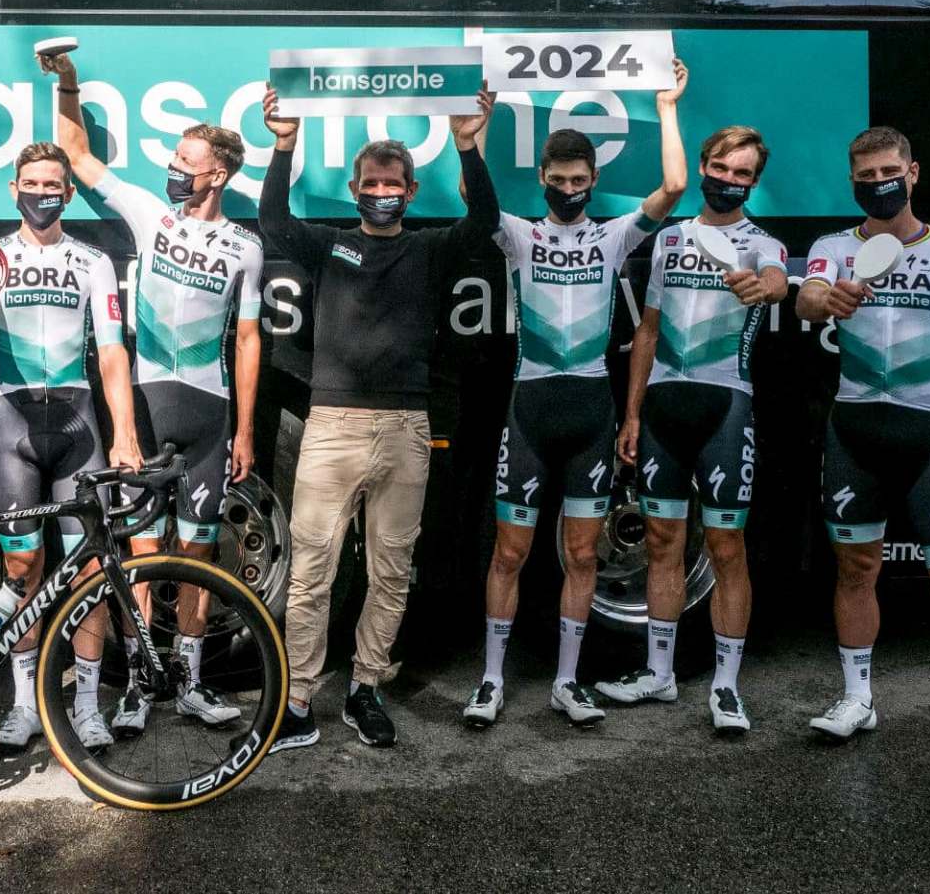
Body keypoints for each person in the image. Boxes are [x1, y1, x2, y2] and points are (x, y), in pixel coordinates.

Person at [259, 85, 496, 752]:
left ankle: (366, 688)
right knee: (312, 570)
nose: (382, 192)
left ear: (411, 192)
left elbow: (483, 222)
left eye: (393, 184)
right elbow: (274, 221)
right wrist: (284, 144)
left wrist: (468, 145)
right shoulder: (330, 244)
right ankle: (297, 701)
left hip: (405, 430)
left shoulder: (431, 249)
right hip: (331, 426)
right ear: (355, 190)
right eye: (372, 183)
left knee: (391, 570)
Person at [44, 47, 265, 736]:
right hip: (146, 404)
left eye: (185, 160)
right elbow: (76, 154)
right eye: (173, 156)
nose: (173, 168)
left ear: (218, 173)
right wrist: (68, 84)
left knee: (198, 554)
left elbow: (248, 341)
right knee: (140, 553)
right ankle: (140, 683)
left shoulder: (246, 246)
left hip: (208, 413)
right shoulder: (150, 213)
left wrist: (246, 432)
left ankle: (191, 682)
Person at [795, 126, 930, 805]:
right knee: (855, 569)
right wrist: (823, 299)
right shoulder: (835, 248)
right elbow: (806, 296)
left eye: (889, 171)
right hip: (854, 432)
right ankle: (857, 697)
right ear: (852, 181)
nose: (879, 183)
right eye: (865, 176)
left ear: (913, 172)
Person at [465, 62, 689, 730]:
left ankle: (567, 681)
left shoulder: (614, 234)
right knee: (509, 553)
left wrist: (667, 107)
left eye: (578, 181)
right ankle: (490, 679)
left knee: (584, 554)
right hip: (530, 412)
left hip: (591, 413)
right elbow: (476, 202)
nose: (568, 191)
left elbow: (675, 187)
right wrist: (471, 139)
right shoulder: (519, 234)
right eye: (558, 181)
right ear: (542, 177)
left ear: (593, 181)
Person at [0, 142, 142, 751]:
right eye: (30, 183)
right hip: (13, 421)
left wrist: (125, 434)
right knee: (22, 566)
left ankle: (86, 704)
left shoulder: (93, 261)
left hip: (77, 424)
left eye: (52, 184)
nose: (41, 193)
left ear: (68, 191)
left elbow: (112, 353)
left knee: (90, 567)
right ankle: (26, 704)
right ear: (14, 189)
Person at [601, 125, 788, 732]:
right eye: (721, 168)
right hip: (661, 410)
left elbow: (777, 281)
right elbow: (648, 331)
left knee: (727, 548)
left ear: (754, 182)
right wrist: (632, 414)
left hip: (725, 410)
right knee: (663, 544)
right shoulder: (671, 238)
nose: (729, 180)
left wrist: (764, 287)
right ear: (704, 167)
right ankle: (659, 673)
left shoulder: (762, 245)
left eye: (742, 174)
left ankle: (727, 687)